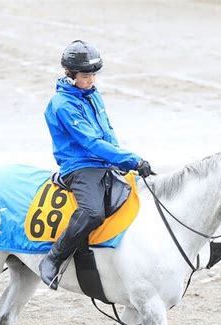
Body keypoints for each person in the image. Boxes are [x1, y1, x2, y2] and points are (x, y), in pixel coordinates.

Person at [39, 39, 154, 290]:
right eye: (85, 75)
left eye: (93, 75)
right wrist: (131, 159)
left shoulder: (93, 94)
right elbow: (90, 143)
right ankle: (54, 258)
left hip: (104, 162)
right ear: (70, 75)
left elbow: (107, 130)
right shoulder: (62, 105)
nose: (91, 80)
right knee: (93, 213)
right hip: (80, 167)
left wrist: (121, 160)